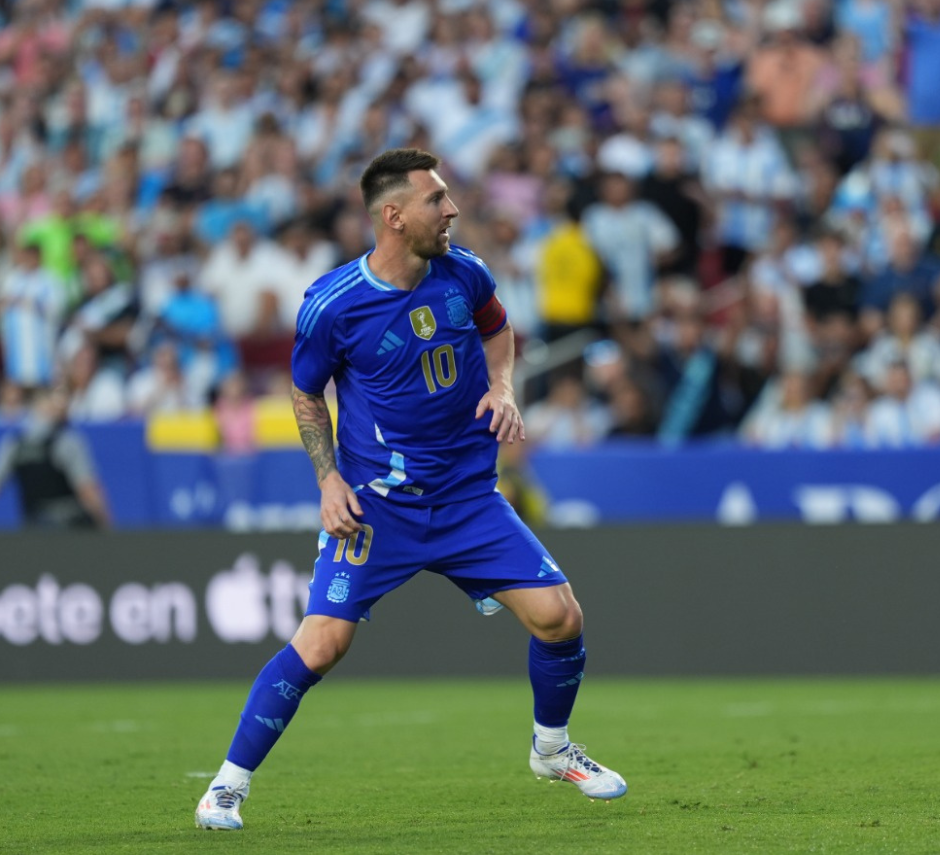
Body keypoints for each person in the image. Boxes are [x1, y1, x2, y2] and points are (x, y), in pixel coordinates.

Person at [193, 149, 626, 832]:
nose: (451, 210)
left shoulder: (464, 272)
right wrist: (328, 479)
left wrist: (502, 385)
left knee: (560, 616)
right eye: (437, 200)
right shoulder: (333, 305)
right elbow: (305, 393)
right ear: (393, 216)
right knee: (322, 644)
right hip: (378, 508)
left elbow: (497, 328)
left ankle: (552, 748)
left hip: (466, 497)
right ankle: (226, 785)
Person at [0, 384, 111, 537]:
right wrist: (106, 526)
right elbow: (88, 491)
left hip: (34, 531)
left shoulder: (16, 443)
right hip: (70, 533)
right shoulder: (67, 442)